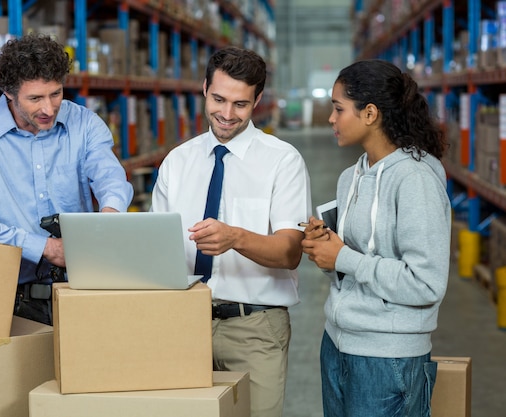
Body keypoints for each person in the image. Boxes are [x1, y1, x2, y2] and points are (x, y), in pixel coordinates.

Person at [151, 46, 312, 417]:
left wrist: (236, 238)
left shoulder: (282, 161)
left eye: (240, 104)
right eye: (219, 99)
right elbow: (158, 249)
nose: (226, 114)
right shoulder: (178, 162)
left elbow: (290, 252)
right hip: (184, 322)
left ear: (257, 100)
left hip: (254, 327)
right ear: (205, 88)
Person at [0, 34, 133, 325]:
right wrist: (44, 247)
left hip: (79, 291)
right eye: (35, 98)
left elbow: (111, 179)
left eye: (56, 93)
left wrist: (108, 217)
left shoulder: (85, 123)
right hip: (6, 298)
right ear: (9, 92)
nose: (49, 109)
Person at [301, 59, 451, 417]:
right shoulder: (350, 177)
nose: (331, 119)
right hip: (337, 344)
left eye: (339, 109)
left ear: (370, 113)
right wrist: (326, 252)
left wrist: (344, 258)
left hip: (389, 357)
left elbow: (427, 283)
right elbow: (350, 267)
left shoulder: (415, 180)